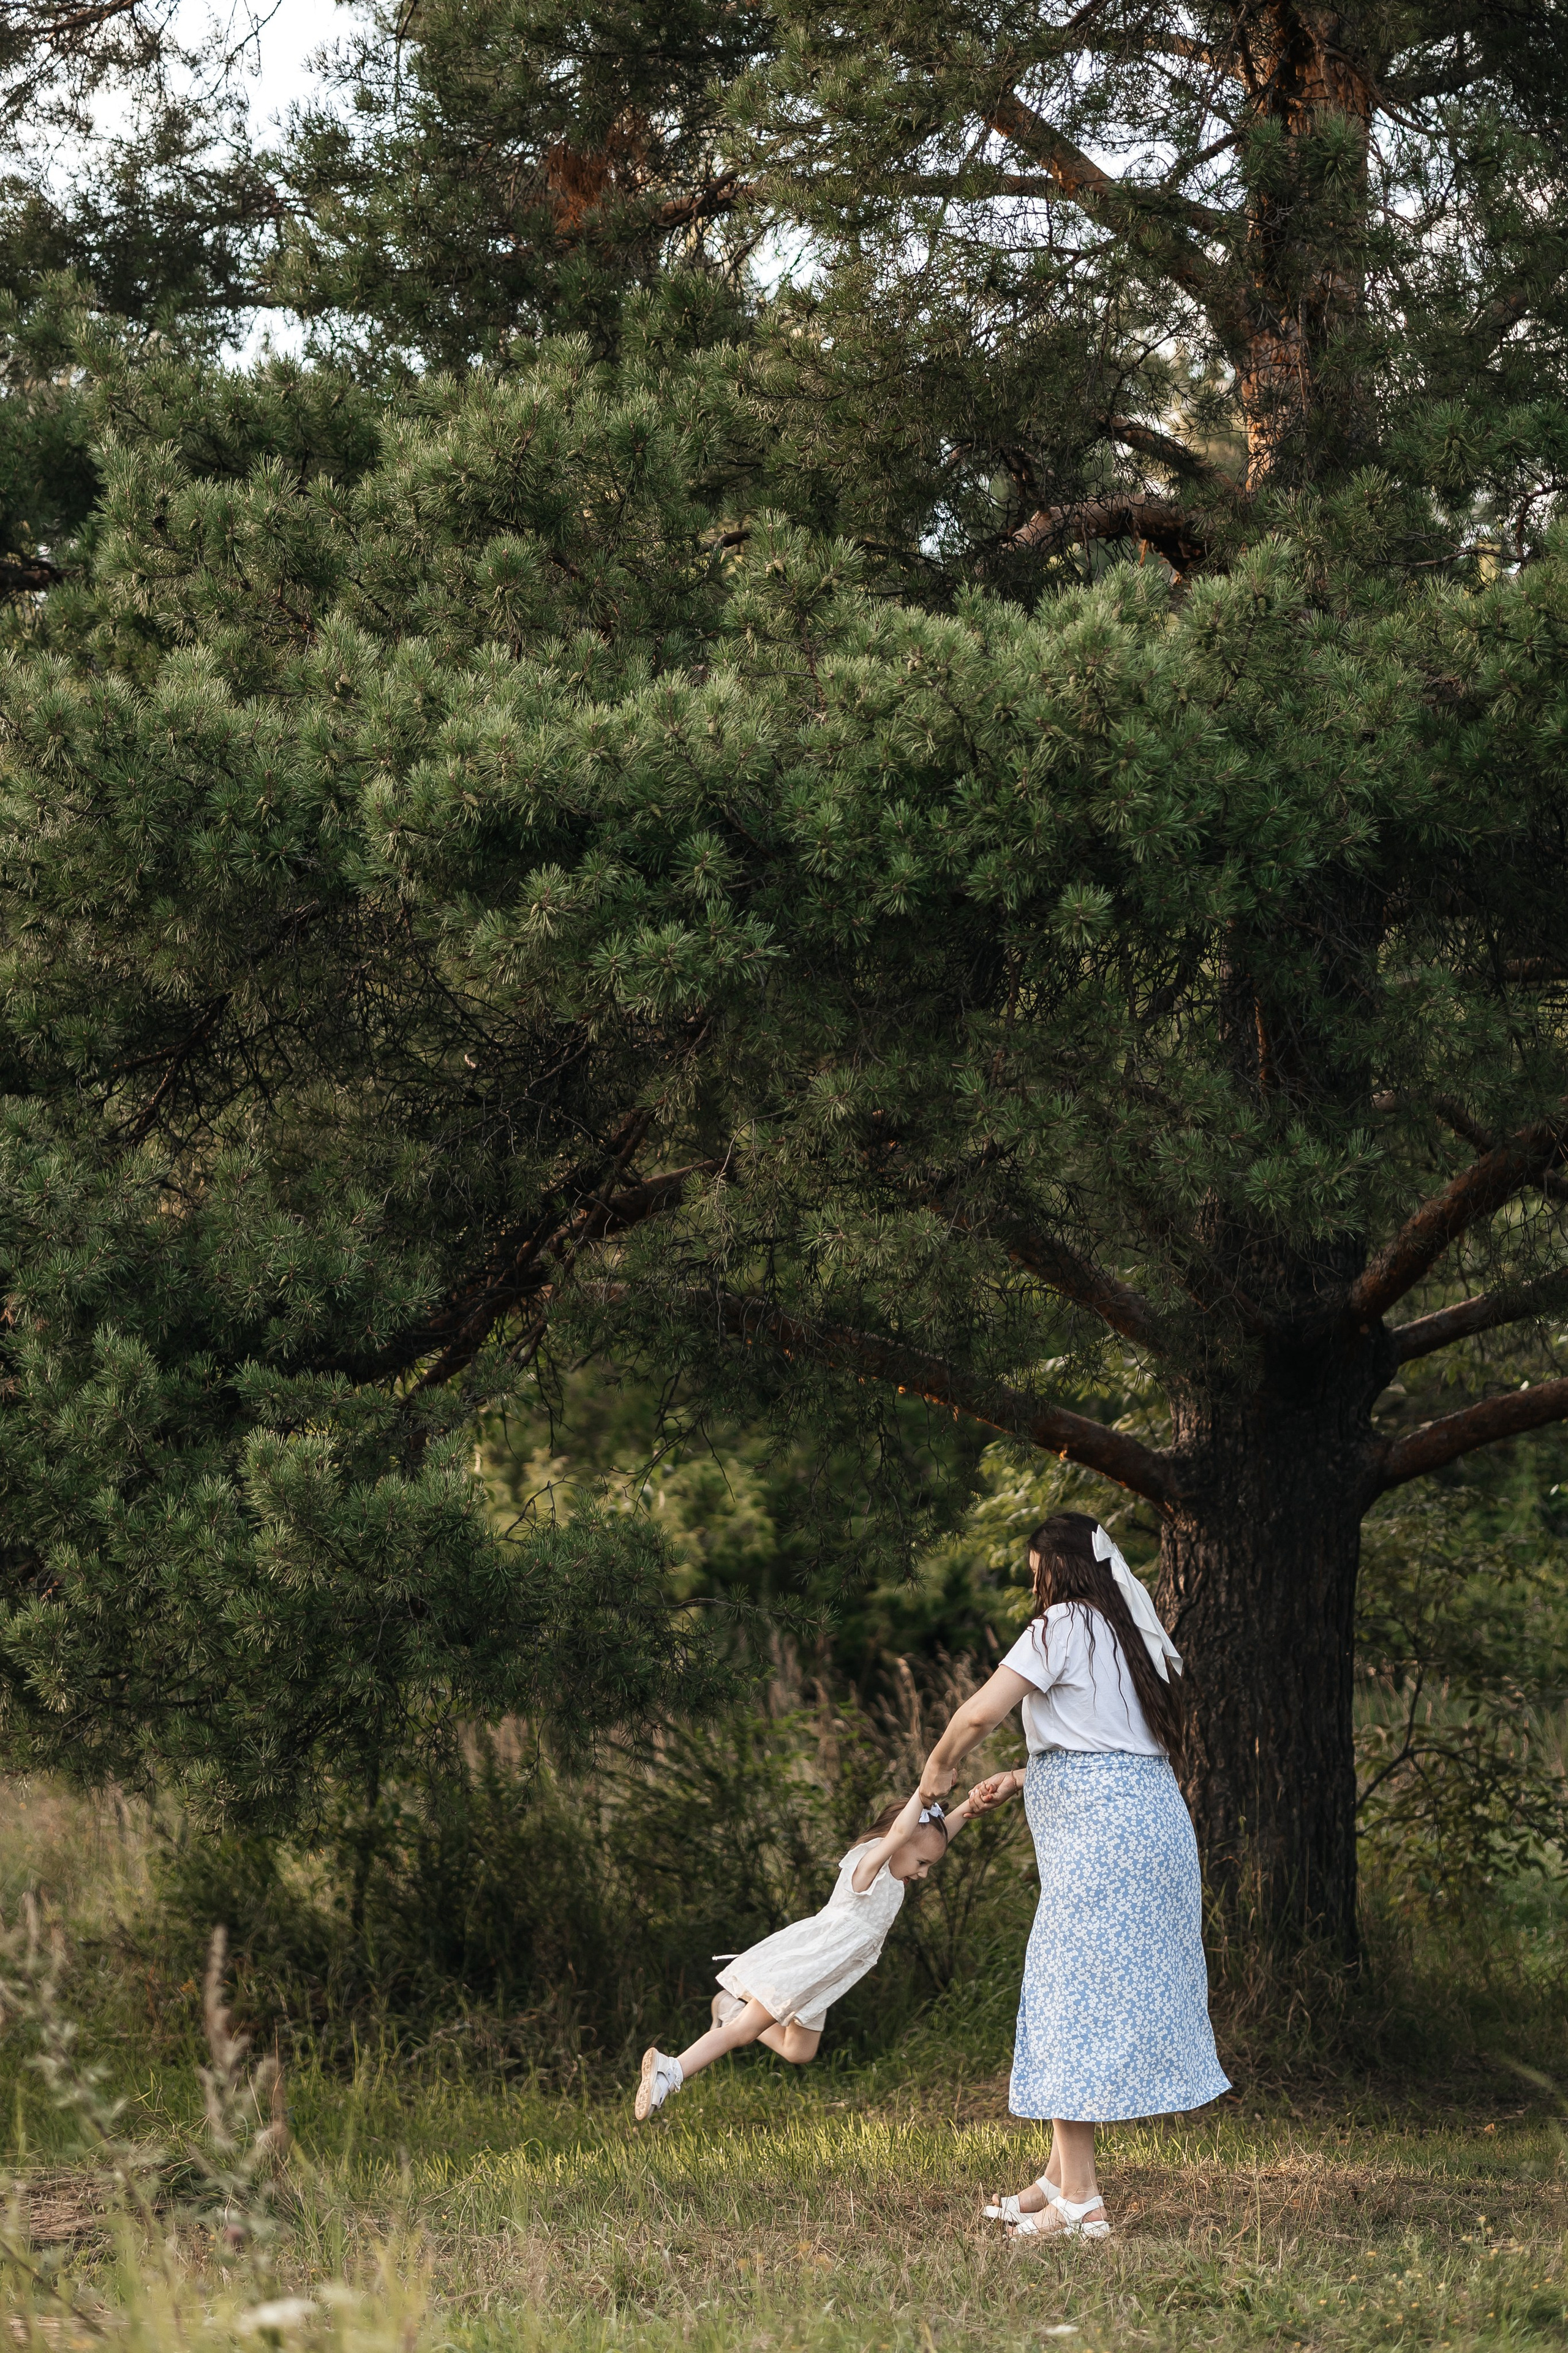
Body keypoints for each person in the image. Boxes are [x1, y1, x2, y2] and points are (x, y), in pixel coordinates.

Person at [921, 1511, 1229, 2241]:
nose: (1034, 1587)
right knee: (1074, 1994)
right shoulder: (1129, 1634)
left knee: (1069, 1999)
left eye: (1035, 1574)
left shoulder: (1061, 1625)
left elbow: (977, 1715)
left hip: (1103, 1841)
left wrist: (935, 1779)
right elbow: (1113, 1743)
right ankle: (1056, 2179)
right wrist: (1032, 1775)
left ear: (1057, 1570)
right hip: (1149, 1821)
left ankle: (1082, 2201)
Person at [632, 1780, 1009, 2119]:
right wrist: (923, 1795)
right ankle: (672, 2070)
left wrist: (969, 1807)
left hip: (827, 1977)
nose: (924, 1873)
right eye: (922, 1863)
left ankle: (729, 2008)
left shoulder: (898, 1868)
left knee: (799, 2051)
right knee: (744, 2032)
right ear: (897, 1841)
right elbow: (902, 1833)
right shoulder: (869, 1868)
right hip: (808, 1963)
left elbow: (930, 1837)